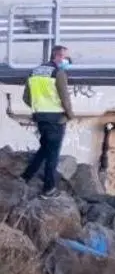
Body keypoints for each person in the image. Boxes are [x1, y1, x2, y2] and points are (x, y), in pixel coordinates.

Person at [20, 45, 75, 199]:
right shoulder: (59, 73)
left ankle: (25, 176)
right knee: (53, 154)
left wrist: (39, 107)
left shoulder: (34, 72)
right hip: (56, 119)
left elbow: (25, 97)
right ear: (58, 56)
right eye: (66, 58)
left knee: (45, 148)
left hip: (40, 117)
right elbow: (65, 98)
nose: (67, 61)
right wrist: (70, 115)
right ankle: (49, 188)